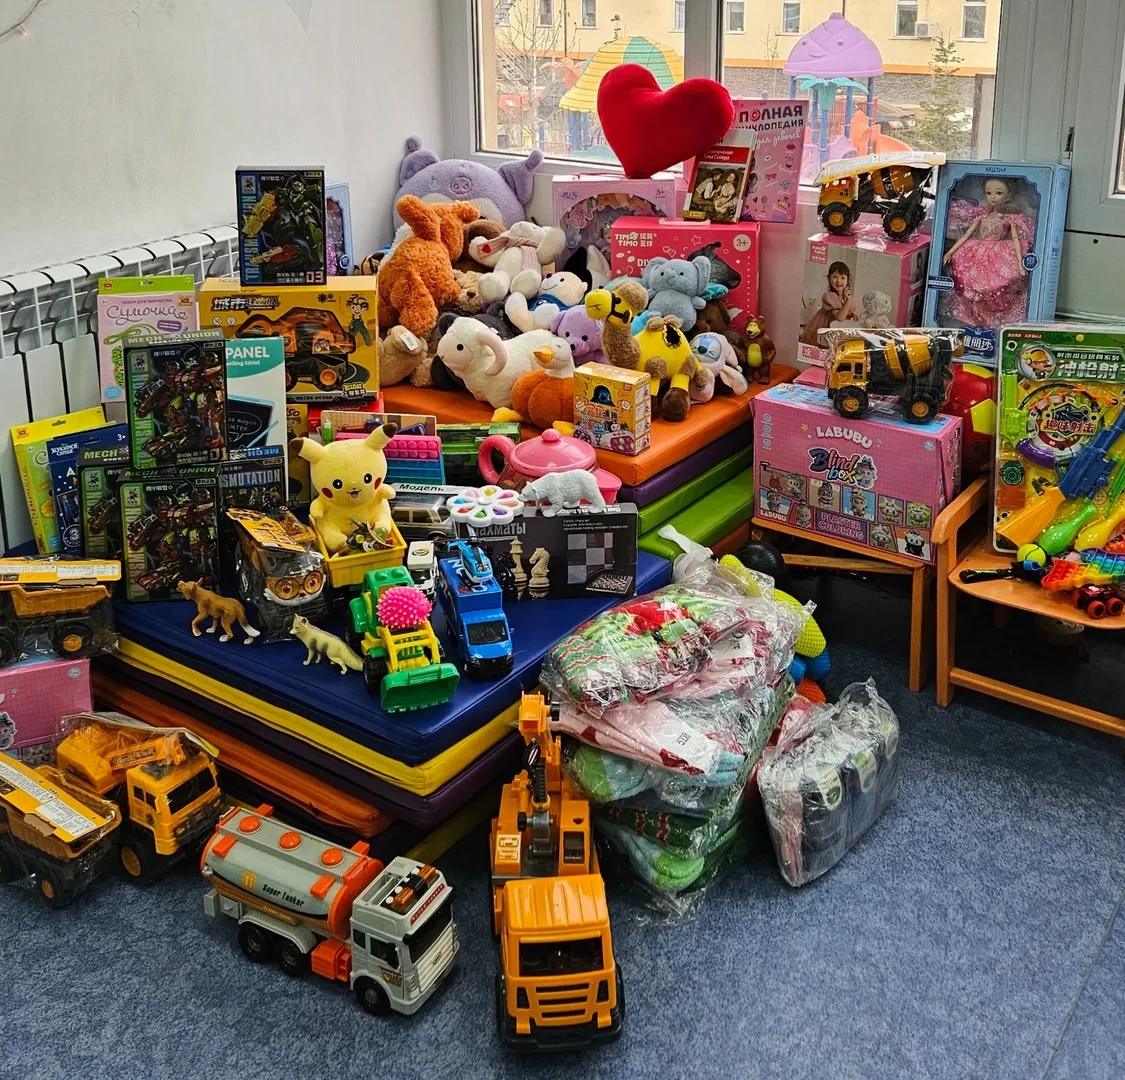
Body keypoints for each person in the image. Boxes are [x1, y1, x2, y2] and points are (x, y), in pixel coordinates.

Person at [941, 177, 1034, 328]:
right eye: (989, 193)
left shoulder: (1009, 218)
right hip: (978, 252)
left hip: (999, 254)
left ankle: (995, 317)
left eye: (999, 193)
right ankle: (976, 316)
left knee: (997, 284)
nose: (993, 197)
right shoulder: (982, 216)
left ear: (1009, 194)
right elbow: (966, 235)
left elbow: (1016, 239)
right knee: (971, 283)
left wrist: (1020, 263)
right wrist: (950, 252)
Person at [801, 261, 855, 346]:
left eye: (842, 278)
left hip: (837, 330)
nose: (839, 281)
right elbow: (839, 317)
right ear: (829, 279)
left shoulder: (845, 297)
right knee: (823, 347)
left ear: (848, 280)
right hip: (825, 327)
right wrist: (848, 302)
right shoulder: (829, 296)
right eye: (835, 277)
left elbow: (849, 313)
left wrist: (852, 315)